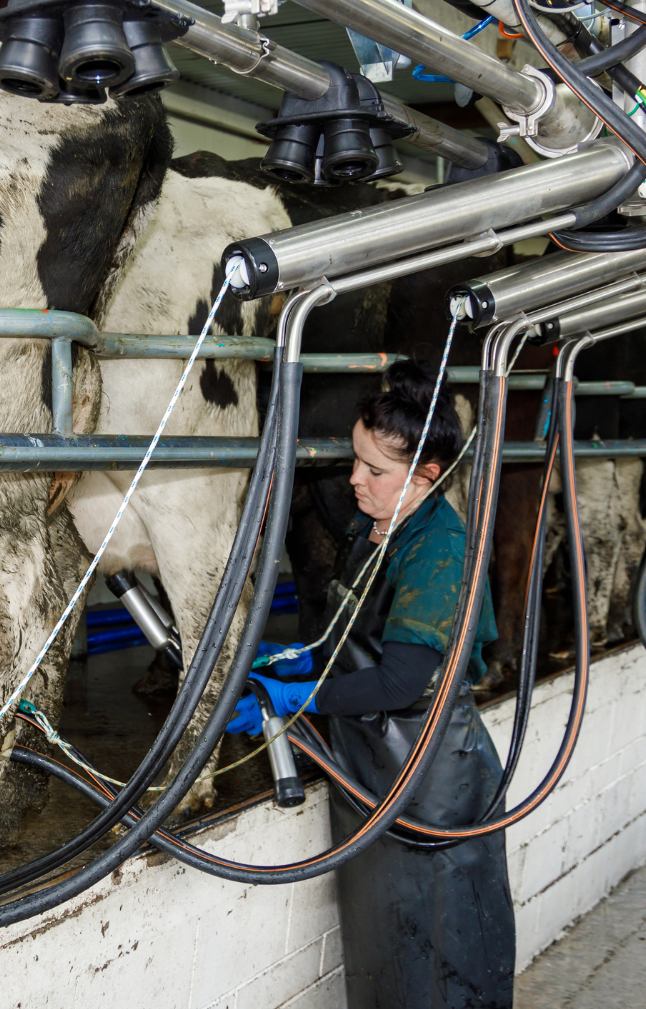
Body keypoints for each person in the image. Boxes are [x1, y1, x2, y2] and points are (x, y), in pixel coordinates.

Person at [228, 362, 515, 1009]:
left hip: (429, 773)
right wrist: (295, 659)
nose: (354, 479)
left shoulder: (438, 549)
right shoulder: (375, 526)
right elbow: (357, 639)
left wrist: (295, 699)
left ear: (427, 477)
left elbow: (398, 681)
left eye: (374, 471)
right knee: (384, 943)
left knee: (444, 954)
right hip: (373, 769)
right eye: (355, 461)